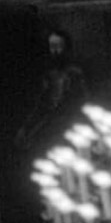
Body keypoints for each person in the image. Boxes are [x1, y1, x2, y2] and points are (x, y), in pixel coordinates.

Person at [14, 28, 88, 157]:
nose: (55, 51)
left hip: (67, 127)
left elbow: (79, 103)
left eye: (59, 46)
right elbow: (42, 103)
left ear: (67, 48)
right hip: (49, 128)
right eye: (52, 46)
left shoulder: (76, 74)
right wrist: (27, 128)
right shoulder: (48, 75)